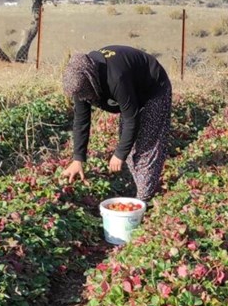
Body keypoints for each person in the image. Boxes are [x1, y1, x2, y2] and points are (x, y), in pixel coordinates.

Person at [61, 45, 172, 201]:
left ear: (91, 80)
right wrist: (78, 159)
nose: (86, 98)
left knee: (147, 146)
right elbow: (81, 121)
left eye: (87, 94)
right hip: (132, 92)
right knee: (129, 147)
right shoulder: (80, 79)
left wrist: (119, 154)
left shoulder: (116, 78)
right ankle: (140, 185)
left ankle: (144, 199)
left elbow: (131, 118)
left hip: (153, 89)